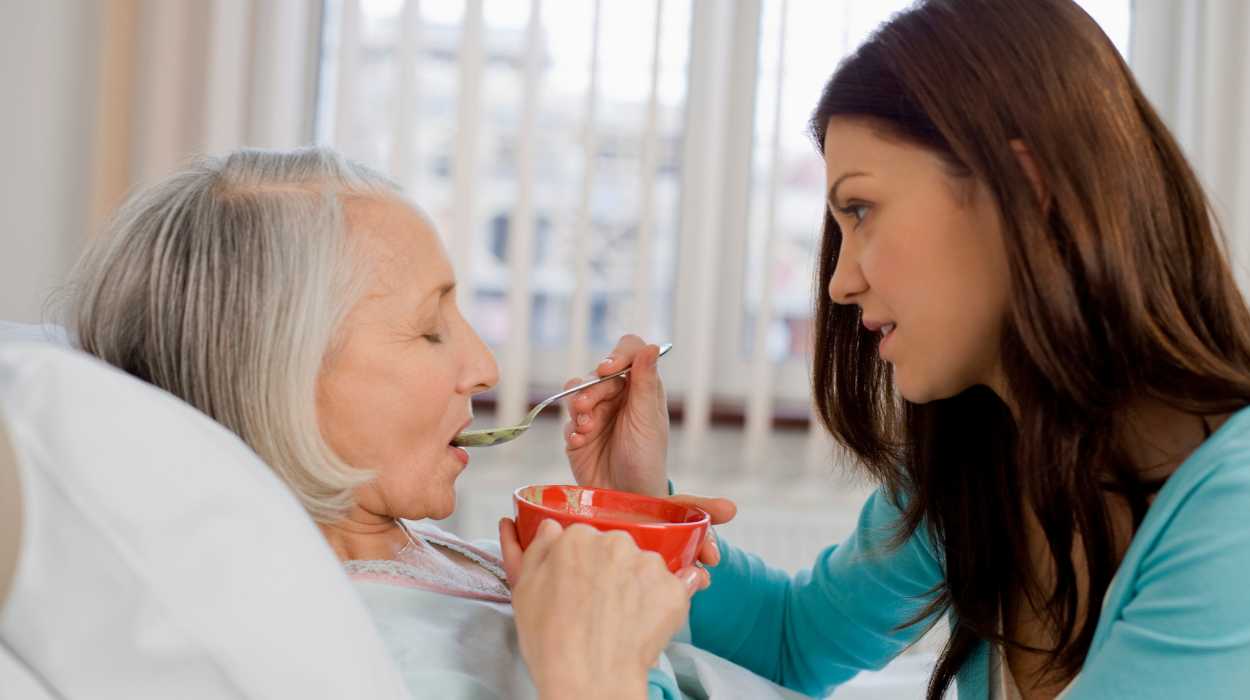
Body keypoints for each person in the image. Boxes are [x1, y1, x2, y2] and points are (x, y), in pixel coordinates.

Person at [517, 0, 1250, 698]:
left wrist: (600, 678)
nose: (838, 283)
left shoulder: (1234, 510)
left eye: (861, 210)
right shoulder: (988, 453)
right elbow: (795, 641)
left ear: (1025, 188)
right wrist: (641, 509)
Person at [63, 148, 799, 699]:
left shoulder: (436, 557)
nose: (484, 366)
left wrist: (633, 532)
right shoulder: (334, 651)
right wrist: (589, 676)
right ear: (275, 378)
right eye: (428, 330)